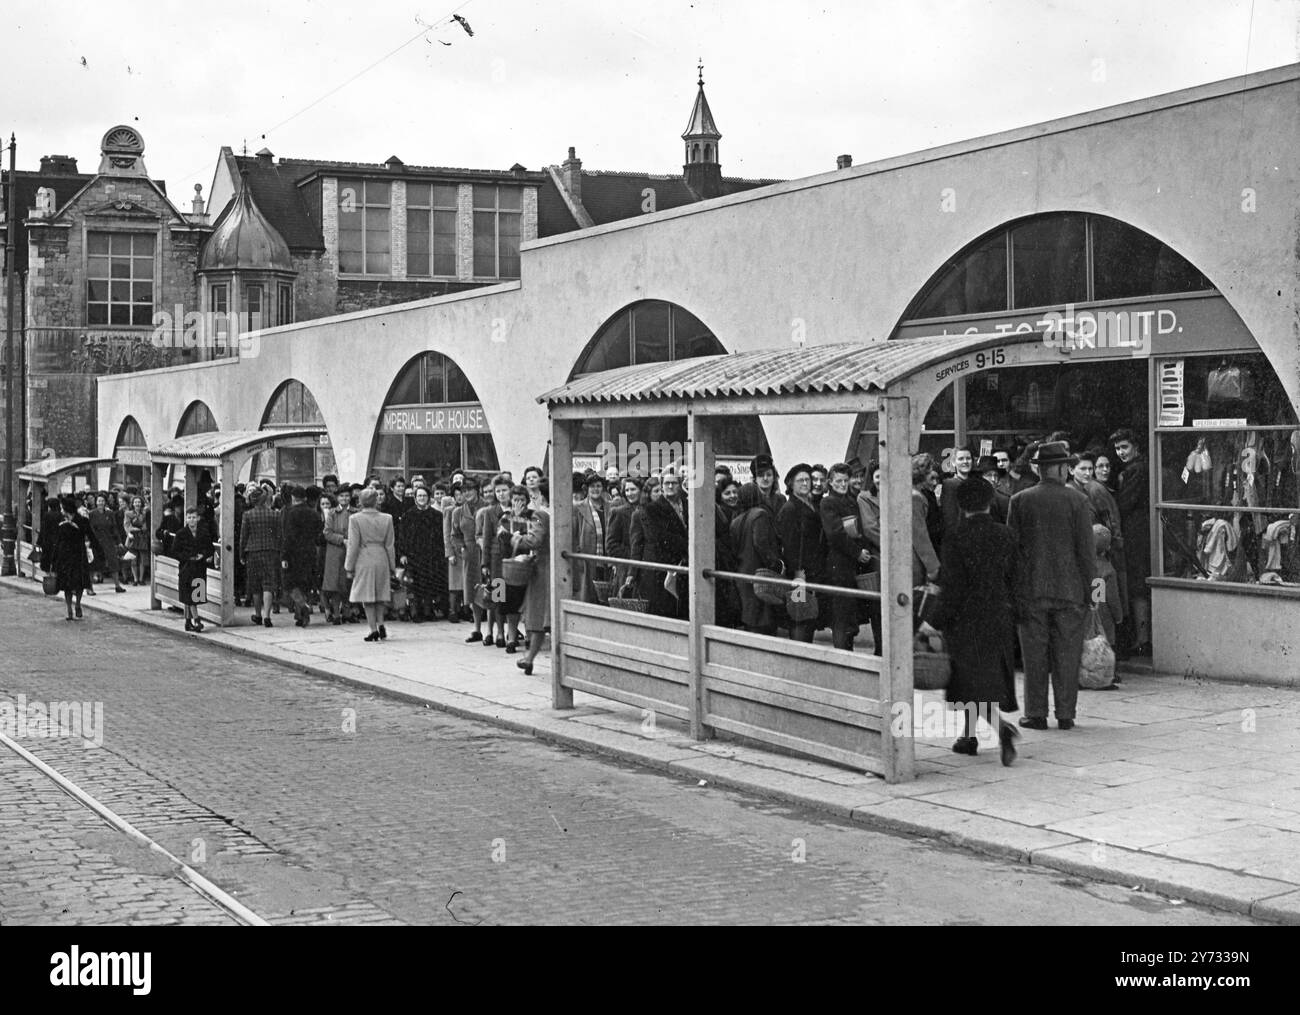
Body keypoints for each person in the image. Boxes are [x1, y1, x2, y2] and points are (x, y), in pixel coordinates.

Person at [1007, 440, 1097, 731]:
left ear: (1040, 469)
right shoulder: (1078, 501)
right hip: (1071, 592)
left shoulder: (1019, 501)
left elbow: (1013, 552)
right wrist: (1096, 594)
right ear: (1059, 468)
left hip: (1031, 592)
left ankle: (1035, 713)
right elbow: (1087, 553)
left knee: (1034, 656)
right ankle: (1066, 714)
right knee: (1068, 654)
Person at [930, 477, 1021, 764]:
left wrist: (931, 622)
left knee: (970, 680)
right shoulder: (1006, 535)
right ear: (989, 501)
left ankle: (1001, 728)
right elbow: (1016, 578)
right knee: (985, 679)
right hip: (998, 616)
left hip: (965, 620)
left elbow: (952, 588)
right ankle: (968, 737)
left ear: (961, 505)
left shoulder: (955, 537)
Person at [1110, 427, 1151, 656]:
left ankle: (1142, 639)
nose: (1120, 452)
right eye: (1117, 448)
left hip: (1136, 533)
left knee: (1137, 585)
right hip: (1138, 531)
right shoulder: (1135, 468)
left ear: (1135, 446)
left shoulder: (1136, 470)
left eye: (1124, 447)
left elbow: (1124, 503)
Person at [820, 462, 870, 650]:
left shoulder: (849, 500)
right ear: (830, 483)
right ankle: (843, 654)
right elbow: (835, 534)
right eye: (838, 481)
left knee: (848, 614)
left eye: (845, 481)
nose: (842, 484)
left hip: (848, 564)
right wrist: (857, 552)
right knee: (841, 615)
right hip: (839, 564)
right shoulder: (828, 502)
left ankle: (847, 652)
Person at [778, 463, 826, 643]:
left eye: (808, 479)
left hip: (812, 572)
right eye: (801, 480)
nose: (806, 483)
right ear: (791, 484)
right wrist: (799, 575)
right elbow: (790, 546)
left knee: (808, 616)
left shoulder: (810, 504)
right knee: (800, 616)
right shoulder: (791, 508)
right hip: (800, 575)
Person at [345, 486, 396, 642]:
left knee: (367, 597)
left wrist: (349, 566)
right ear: (376, 501)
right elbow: (390, 544)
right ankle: (381, 623)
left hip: (364, 557)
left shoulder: (355, 519)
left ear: (361, 501)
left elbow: (353, 545)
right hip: (381, 556)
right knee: (380, 594)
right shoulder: (387, 518)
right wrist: (392, 566)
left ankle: (373, 629)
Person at [512, 479, 551, 675]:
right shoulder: (569, 510)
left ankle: (529, 658)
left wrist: (518, 538)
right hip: (563, 569)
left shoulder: (541, 514)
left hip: (543, 570)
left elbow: (535, 541)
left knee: (538, 617)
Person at [643, 468, 690, 620]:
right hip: (667, 565)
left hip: (685, 565)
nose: (670, 487)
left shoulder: (688, 504)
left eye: (674, 483)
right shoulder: (653, 508)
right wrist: (689, 545)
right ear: (662, 485)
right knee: (668, 610)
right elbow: (661, 537)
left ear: (680, 484)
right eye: (667, 483)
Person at [399, 485, 448, 623]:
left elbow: (441, 537)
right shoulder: (408, 516)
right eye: (419, 496)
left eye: (424, 496)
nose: (422, 498)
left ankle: (428, 610)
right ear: (415, 498)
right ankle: (415, 611)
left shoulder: (437, 516)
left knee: (429, 582)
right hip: (413, 555)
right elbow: (402, 537)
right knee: (414, 584)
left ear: (429, 498)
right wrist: (402, 554)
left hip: (431, 555)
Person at [477, 473, 513, 646]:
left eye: (504, 490)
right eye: (498, 491)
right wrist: (485, 563)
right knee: (497, 595)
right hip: (496, 558)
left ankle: (511, 632)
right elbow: (485, 539)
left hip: (514, 557)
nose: (501, 494)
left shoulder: (517, 509)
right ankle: (498, 632)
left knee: (512, 594)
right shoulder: (490, 512)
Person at [282, 485, 324, 627]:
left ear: (293, 498)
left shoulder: (290, 513)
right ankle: (300, 615)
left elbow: (287, 536)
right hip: (310, 551)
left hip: (293, 553)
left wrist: (284, 556)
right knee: (305, 584)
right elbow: (319, 533)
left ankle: (302, 606)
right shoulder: (314, 513)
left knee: (290, 584)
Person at [44, 495, 92, 620]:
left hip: (77, 555)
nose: (61, 511)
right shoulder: (60, 521)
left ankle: (77, 604)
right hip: (64, 556)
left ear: (66, 509)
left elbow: (89, 535)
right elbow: (57, 540)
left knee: (79, 583)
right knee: (67, 585)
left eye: (62, 508)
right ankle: (70, 609)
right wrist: (53, 560)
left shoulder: (82, 521)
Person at [496, 485, 532, 650]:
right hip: (511, 565)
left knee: (529, 601)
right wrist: (516, 538)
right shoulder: (505, 518)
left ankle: (529, 635)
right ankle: (511, 637)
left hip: (529, 563)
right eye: (516, 500)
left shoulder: (533, 516)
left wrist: (519, 537)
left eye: (522, 500)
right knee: (510, 602)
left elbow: (536, 536)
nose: (519, 503)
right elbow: (503, 540)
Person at [452, 476, 486, 642]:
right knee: (473, 592)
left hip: (488, 553)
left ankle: (498, 630)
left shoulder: (488, 507)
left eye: (470, 490)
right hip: (470, 555)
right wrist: (461, 548)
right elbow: (455, 535)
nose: (467, 494)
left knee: (495, 590)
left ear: (477, 490)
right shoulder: (458, 512)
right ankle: (477, 629)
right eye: (464, 491)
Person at [239, 485, 280, 628]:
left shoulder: (247, 515)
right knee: (268, 584)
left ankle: (258, 614)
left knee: (255, 586)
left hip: (253, 552)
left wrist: (241, 554)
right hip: (270, 551)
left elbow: (243, 537)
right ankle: (267, 616)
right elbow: (278, 535)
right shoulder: (274, 514)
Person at [855, 461, 885, 653]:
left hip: (889, 555)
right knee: (879, 606)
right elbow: (870, 528)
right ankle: (881, 647)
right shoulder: (865, 498)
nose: (882, 481)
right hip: (879, 557)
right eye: (877, 477)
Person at [173, 506, 213, 633]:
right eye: (189, 517)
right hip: (186, 567)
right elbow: (174, 551)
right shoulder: (180, 534)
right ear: (186, 519)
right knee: (189, 595)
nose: (192, 520)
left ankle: (187, 621)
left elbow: (210, 548)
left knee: (194, 595)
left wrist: (203, 555)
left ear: (198, 518)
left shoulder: (204, 533)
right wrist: (188, 557)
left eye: (194, 517)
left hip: (199, 567)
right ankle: (197, 620)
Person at [572, 472, 610, 604]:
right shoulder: (578, 508)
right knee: (588, 598)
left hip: (606, 561)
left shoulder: (610, 507)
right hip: (586, 562)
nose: (595, 489)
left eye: (598, 486)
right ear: (586, 489)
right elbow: (574, 536)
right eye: (592, 486)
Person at [714, 478, 743, 628]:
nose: (732, 496)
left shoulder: (739, 511)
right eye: (727, 493)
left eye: (734, 492)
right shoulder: (720, 513)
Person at [319, 489, 351, 624]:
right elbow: (327, 533)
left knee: (348, 583)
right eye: (342, 496)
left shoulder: (355, 512)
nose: (344, 498)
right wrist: (342, 540)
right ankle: (336, 614)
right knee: (335, 585)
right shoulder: (332, 513)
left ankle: (349, 612)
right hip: (335, 552)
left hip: (351, 550)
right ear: (337, 498)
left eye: (347, 496)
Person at [89, 493, 127, 593]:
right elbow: (90, 529)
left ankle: (117, 585)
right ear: (96, 502)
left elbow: (114, 528)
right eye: (98, 501)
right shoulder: (92, 514)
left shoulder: (110, 514)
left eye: (102, 501)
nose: (100, 503)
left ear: (105, 502)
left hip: (109, 541)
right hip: (96, 542)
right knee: (94, 564)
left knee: (113, 563)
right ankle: (90, 588)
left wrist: (118, 542)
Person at [443, 485, 464, 622]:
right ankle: (452, 610)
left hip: (468, 549)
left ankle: (466, 609)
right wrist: (449, 552)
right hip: (455, 550)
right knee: (455, 583)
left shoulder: (469, 509)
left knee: (466, 581)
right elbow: (446, 533)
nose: (460, 497)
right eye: (457, 495)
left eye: (462, 494)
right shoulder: (450, 510)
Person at [123, 494, 149, 586]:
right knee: (133, 559)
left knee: (143, 559)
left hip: (142, 537)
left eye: (139, 502)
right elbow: (126, 526)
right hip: (132, 537)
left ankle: (141, 579)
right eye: (135, 502)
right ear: (132, 504)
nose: (137, 504)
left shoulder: (145, 513)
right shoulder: (128, 513)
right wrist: (134, 529)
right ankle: (135, 579)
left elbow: (146, 525)